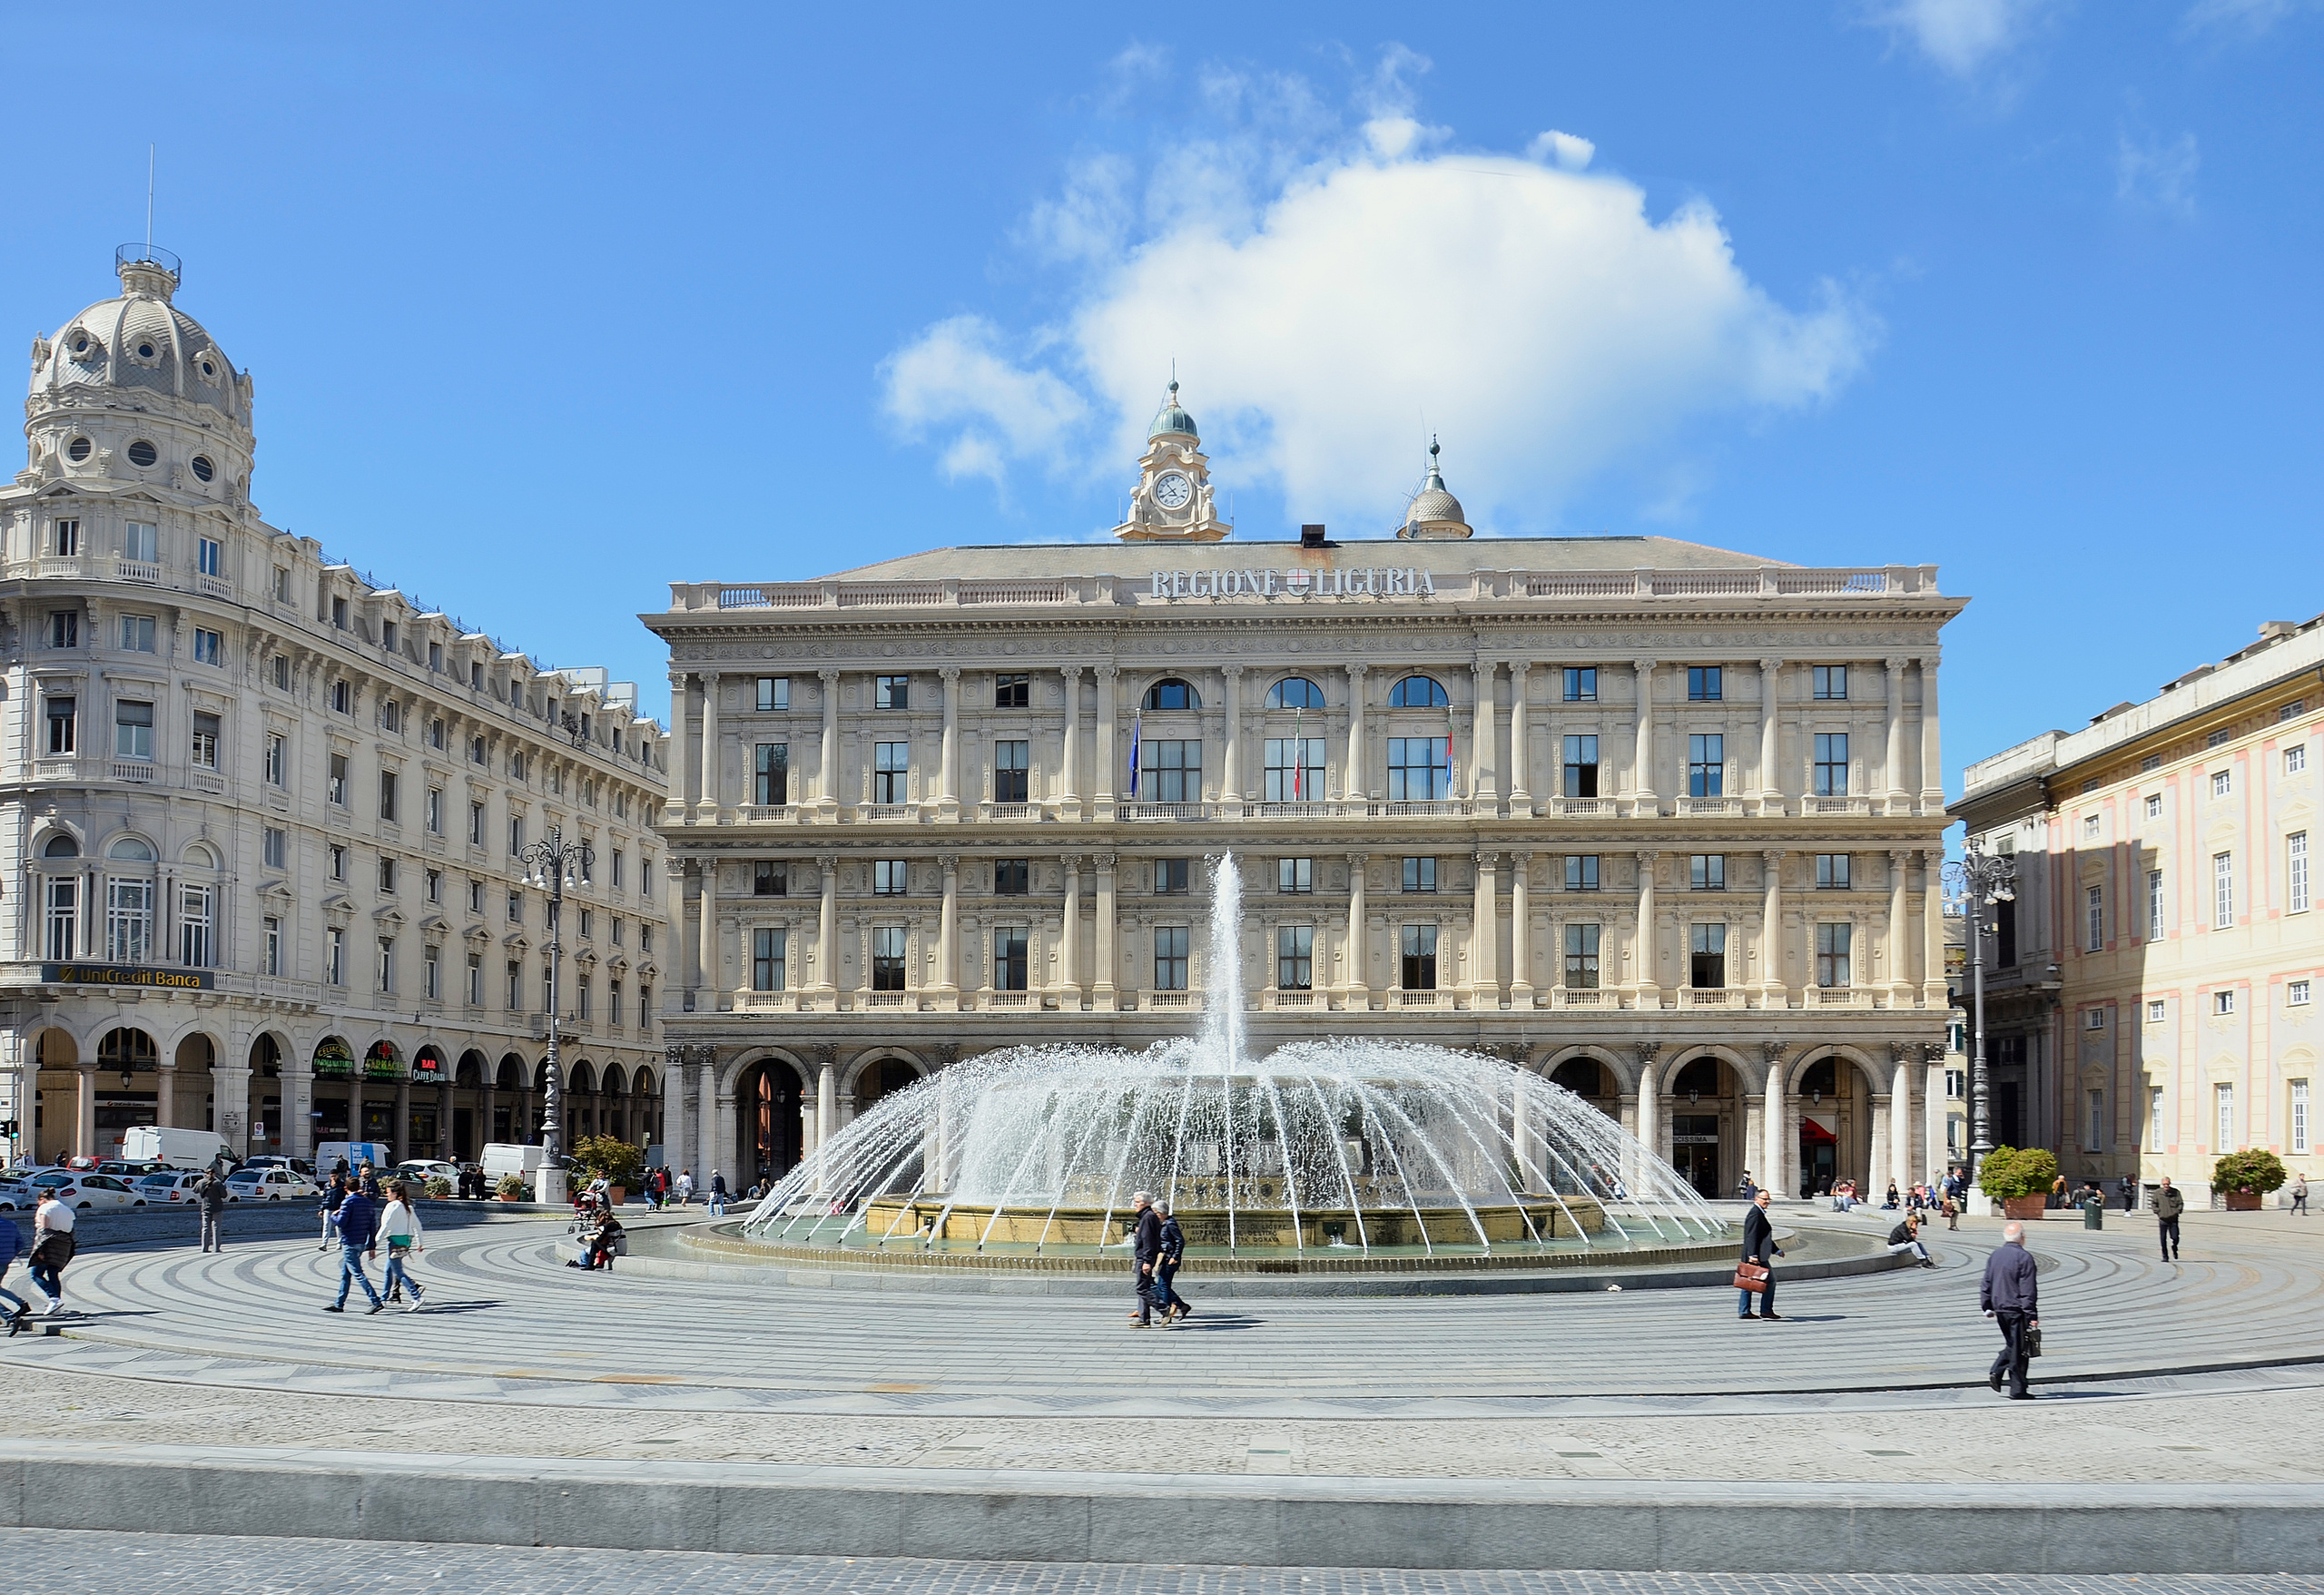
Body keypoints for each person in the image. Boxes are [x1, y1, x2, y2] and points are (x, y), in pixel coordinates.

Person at [1981, 1220, 2041, 1400]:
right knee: (2019, 1350)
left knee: (2014, 1345)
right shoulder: (2024, 1257)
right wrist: (2031, 1314)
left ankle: (2001, 1374)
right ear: (2022, 1237)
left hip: (2000, 1308)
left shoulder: (1995, 1255)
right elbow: (2028, 1289)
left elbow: (1986, 1282)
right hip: (2017, 1309)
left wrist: (1987, 1305)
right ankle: (2015, 1387)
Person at [323, 1179, 386, 1314]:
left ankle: (376, 1301)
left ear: (346, 1188)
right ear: (359, 1187)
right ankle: (339, 1303)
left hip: (349, 1242)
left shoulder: (347, 1202)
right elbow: (372, 1226)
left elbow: (342, 1222)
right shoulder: (368, 1203)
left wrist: (333, 1216)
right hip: (361, 1242)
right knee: (345, 1274)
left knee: (358, 1273)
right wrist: (372, 1246)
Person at [378, 1182, 428, 1310]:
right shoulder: (408, 1207)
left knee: (398, 1271)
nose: (387, 1195)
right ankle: (383, 1298)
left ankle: (416, 1296)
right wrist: (420, 1243)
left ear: (395, 1193)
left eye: (388, 1192)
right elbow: (418, 1226)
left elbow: (385, 1226)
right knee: (388, 1269)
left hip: (394, 1241)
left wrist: (375, 1242)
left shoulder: (392, 1206)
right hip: (405, 1241)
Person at [27, 1191, 76, 1317]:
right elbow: (71, 1229)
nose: (38, 1205)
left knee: (36, 1274)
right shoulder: (67, 1210)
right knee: (53, 1273)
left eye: (38, 1202)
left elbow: (44, 1231)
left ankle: (54, 1298)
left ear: (42, 1198)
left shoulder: (45, 1208)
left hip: (50, 1243)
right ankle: (56, 1306)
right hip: (65, 1243)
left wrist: (40, 1251)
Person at [1738, 1187, 1783, 1321]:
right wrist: (1753, 1255)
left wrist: (1776, 1250)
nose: (1767, 1201)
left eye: (1769, 1199)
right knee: (1770, 1280)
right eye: (1764, 1199)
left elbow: (1763, 1236)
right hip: (1755, 1256)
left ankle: (1745, 1310)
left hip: (1756, 1255)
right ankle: (1765, 1310)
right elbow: (1751, 1235)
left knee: (1748, 1281)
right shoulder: (1755, 1214)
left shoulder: (1758, 1213)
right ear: (1756, 1199)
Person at [1153, 1202, 1192, 1324]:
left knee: (1163, 1286)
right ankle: (1181, 1306)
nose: (1155, 1215)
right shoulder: (1164, 1223)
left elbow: (1180, 1240)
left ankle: (1166, 1314)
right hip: (1165, 1257)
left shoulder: (1170, 1224)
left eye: (1156, 1213)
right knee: (1162, 1286)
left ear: (1163, 1213)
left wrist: (1175, 1256)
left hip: (1170, 1259)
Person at [1128, 1191, 1163, 1326]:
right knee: (1145, 1287)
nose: (1135, 1204)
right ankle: (1144, 1319)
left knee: (1142, 1288)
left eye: (1137, 1202)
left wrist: (1147, 1261)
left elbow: (1149, 1241)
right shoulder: (1147, 1216)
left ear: (1146, 1203)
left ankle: (1164, 1309)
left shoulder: (1148, 1217)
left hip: (1144, 1258)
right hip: (1144, 1257)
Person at [0, 1213, 29, 1334]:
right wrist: (10, 1255)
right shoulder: (10, 1224)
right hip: (5, 1262)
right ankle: (21, 1304)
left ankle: (11, 1317)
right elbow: (20, 1243)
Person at [194, 1167, 229, 1254]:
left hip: (205, 1207)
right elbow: (224, 1195)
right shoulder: (218, 1183)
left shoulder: (201, 1182)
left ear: (206, 1174)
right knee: (216, 1228)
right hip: (217, 1207)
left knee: (205, 1228)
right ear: (214, 1174)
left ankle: (204, 1248)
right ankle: (216, 1248)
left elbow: (195, 1190)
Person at [2153, 1174, 2185, 1261]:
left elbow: (2180, 1203)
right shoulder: (2158, 1193)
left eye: (2167, 1184)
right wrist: (2157, 1211)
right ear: (2162, 1184)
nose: (2166, 1186)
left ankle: (2174, 1247)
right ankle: (2165, 1256)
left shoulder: (2176, 1192)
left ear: (2170, 1184)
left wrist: (2177, 1211)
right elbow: (2154, 1203)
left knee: (2175, 1237)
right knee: (2163, 1239)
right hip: (2163, 1219)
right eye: (2164, 1184)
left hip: (2173, 1219)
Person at [317, 1174, 347, 1250]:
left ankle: (339, 1243)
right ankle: (324, 1243)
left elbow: (343, 1196)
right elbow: (324, 1197)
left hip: (338, 1208)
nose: (333, 1178)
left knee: (338, 1226)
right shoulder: (327, 1185)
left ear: (337, 1176)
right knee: (326, 1225)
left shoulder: (341, 1185)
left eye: (334, 1176)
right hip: (328, 1207)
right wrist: (321, 1209)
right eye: (331, 1176)